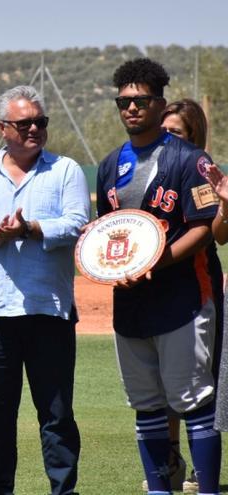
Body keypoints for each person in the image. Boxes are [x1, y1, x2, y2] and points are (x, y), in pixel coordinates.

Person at [0, 85, 87, 495]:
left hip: (50, 309)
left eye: (40, 122)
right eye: (24, 123)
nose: (34, 130)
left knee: (57, 413)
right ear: (1, 127)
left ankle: (63, 490)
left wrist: (31, 228)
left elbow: (77, 223)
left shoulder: (66, 170)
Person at [97, 58, 222, 495]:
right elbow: (110, 233)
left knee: (194, 402)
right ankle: (158, 489)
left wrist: (156, 261)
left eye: (141, 100)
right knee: (147, 405)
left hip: (181, 299)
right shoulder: (110, 164)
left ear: (159, 102)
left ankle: (206, 489)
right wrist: (108, 262)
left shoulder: (191, 160)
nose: (132, 109)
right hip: (130, 303)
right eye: (124, 102)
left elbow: (205, 228)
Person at [154, 98, 214, 493]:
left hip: (194, 279)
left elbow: (214, 231)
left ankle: (200, 471)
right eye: (165, 131)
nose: (168, 138)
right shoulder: (145, 167)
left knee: (196, 382)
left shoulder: (201, 167)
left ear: (193, 136)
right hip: (151, 284)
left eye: (177, 132)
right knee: (159, 384)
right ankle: (171, 462)